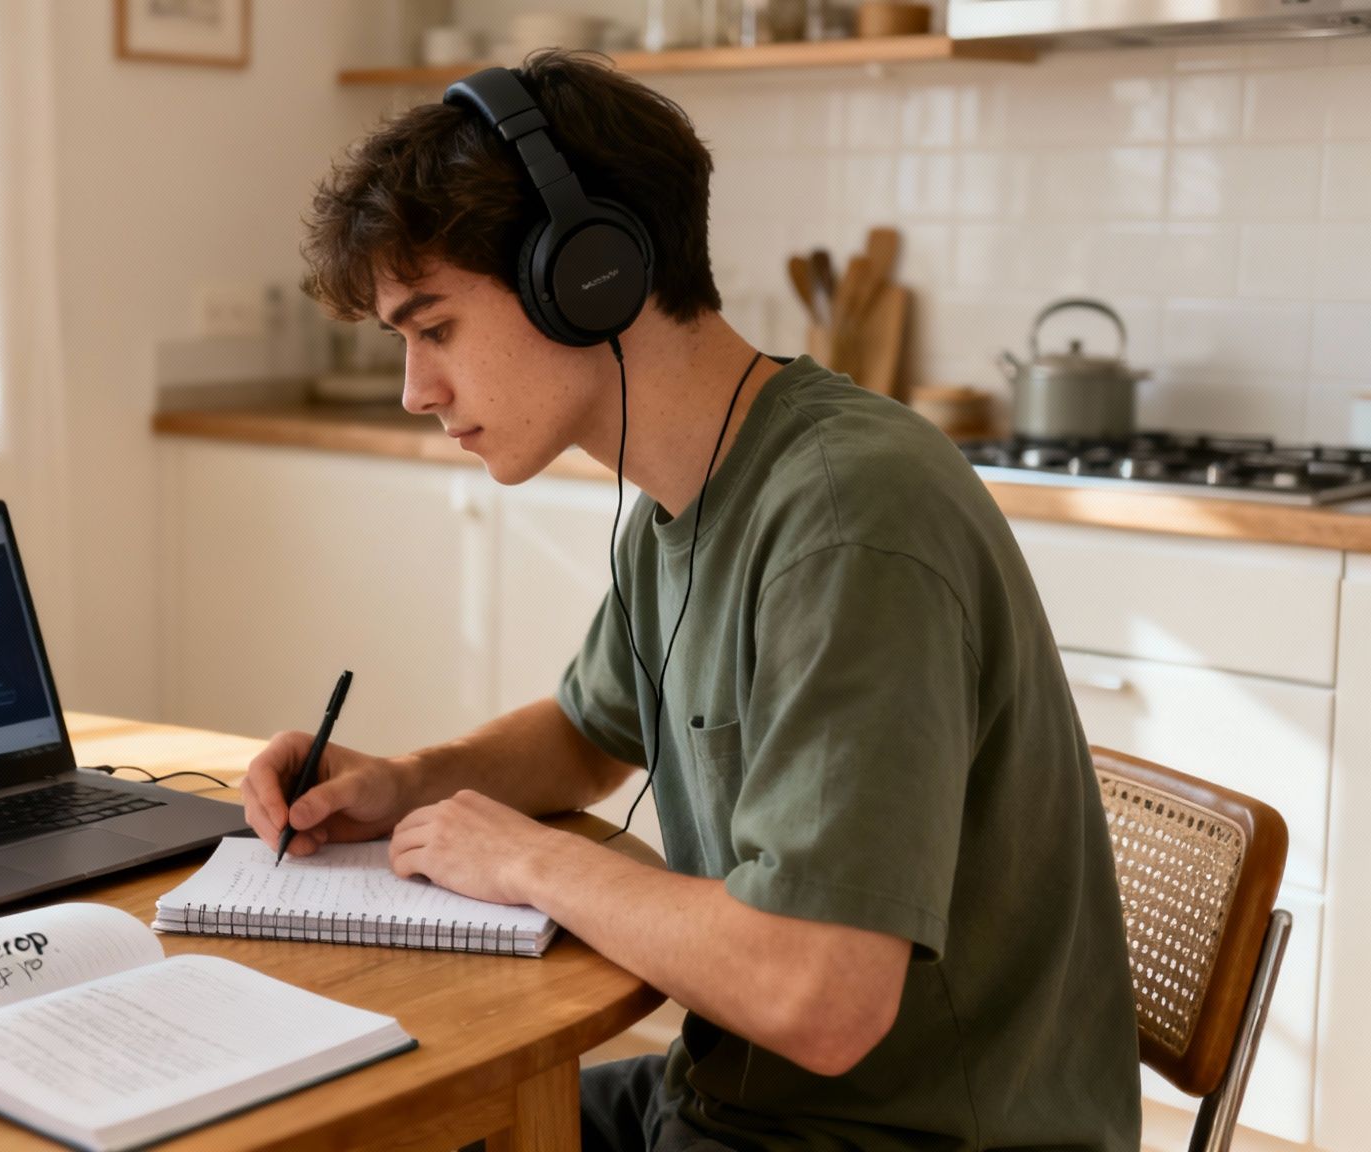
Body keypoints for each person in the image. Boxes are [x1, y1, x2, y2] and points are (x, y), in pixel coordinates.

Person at [240, 48, 1141, 1151]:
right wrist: (401, 783)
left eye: (433, 329)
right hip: (729, 1105)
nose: (415, 391)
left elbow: (820, 993)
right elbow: (583, 736)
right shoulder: (683, 499)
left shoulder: (846, 519)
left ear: (583, 277)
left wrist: (529, 860)